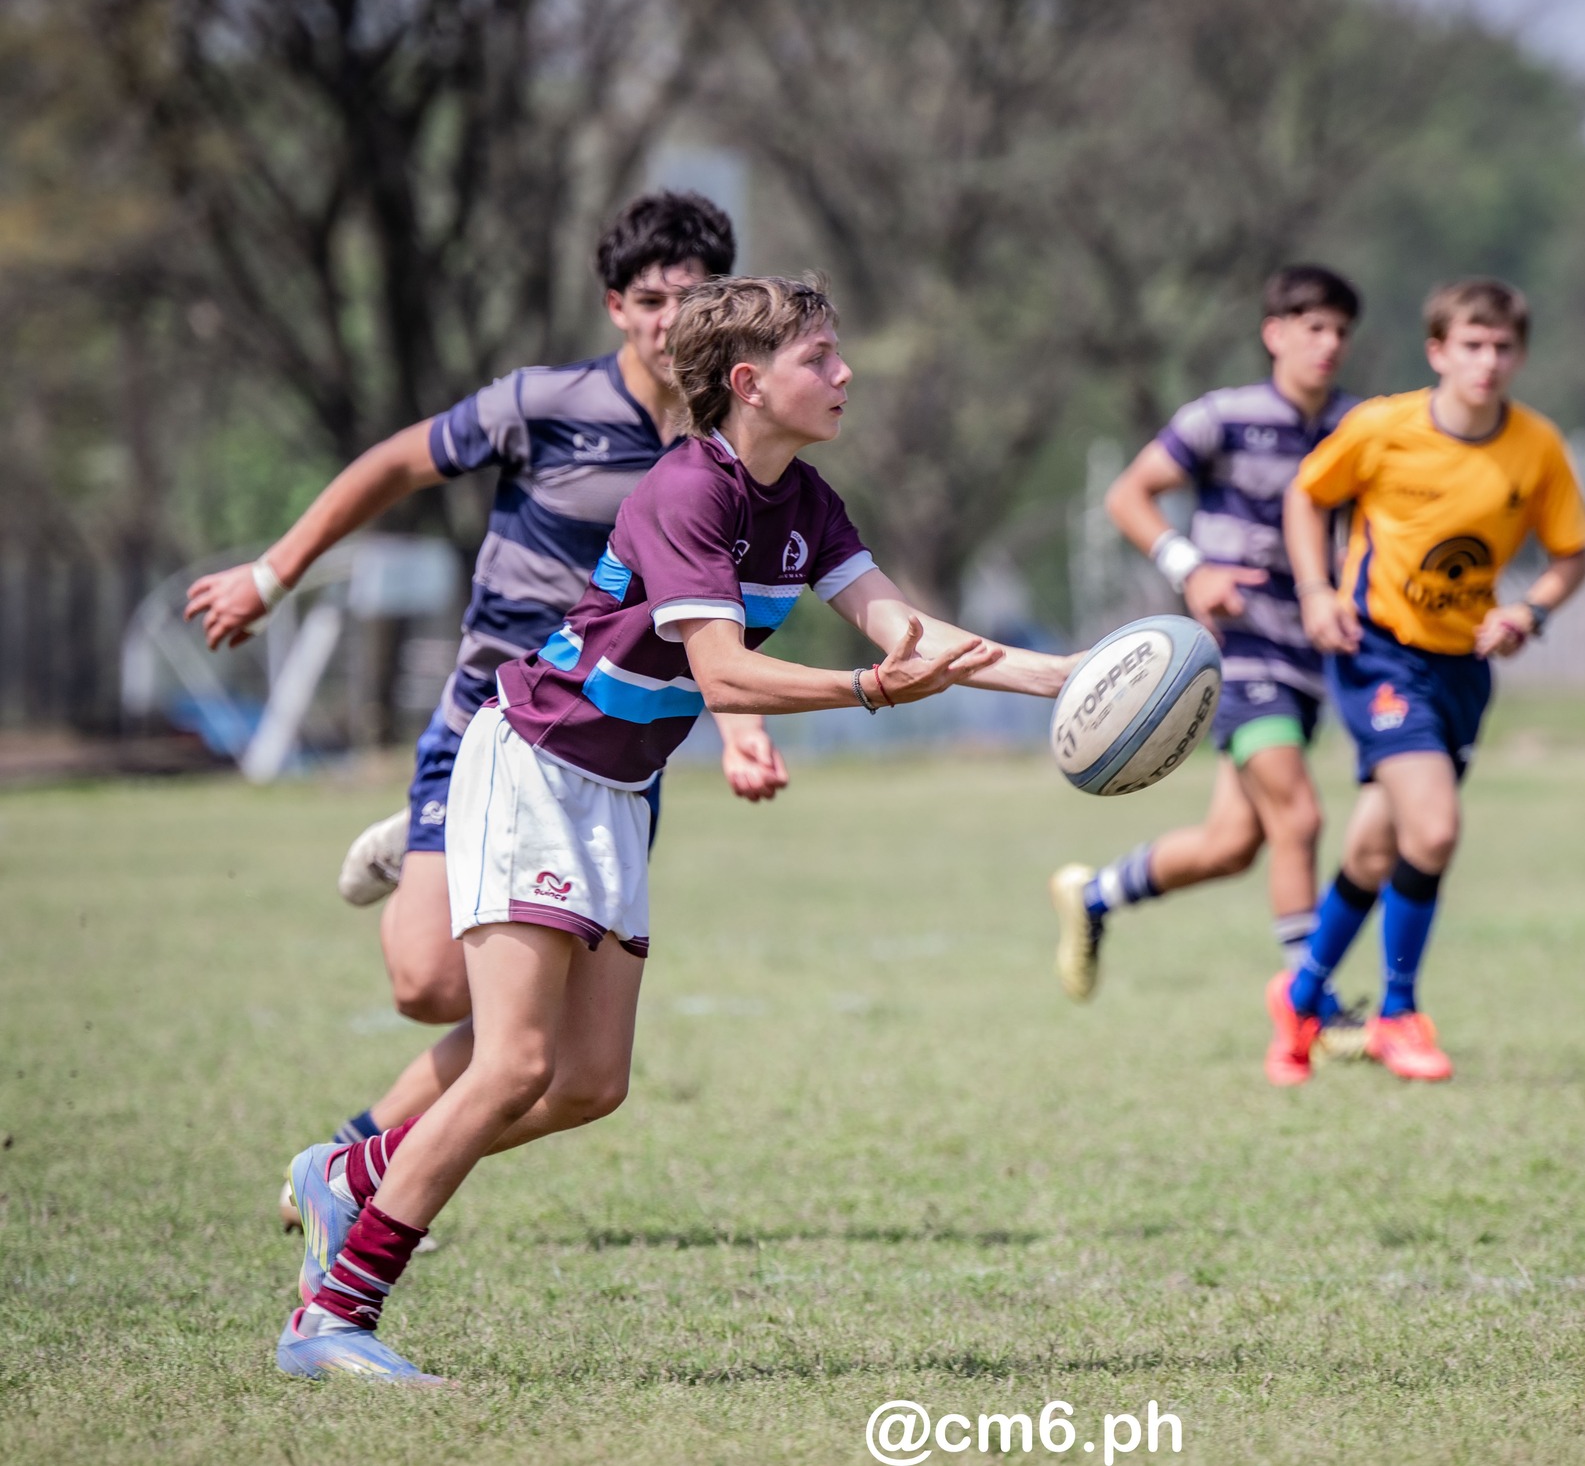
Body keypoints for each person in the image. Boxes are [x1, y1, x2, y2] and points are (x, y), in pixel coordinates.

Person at [273, 274, 1083, 1382]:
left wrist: (1080, 679)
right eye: (820, 358)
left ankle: (357, 1170)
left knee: (590, 1080)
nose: (844, 374)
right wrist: (864, 693)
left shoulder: (808, 503)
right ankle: (333, 1316)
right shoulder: (679, 494)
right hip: (535, 764)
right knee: (512, 1060)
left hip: (613, 789)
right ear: (748, 383)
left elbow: (908, 629)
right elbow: (725, 669)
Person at [183, 193, 784, 1218]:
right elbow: (390, 464)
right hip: (491, 728)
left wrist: (742, 728)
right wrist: (272, 575)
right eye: (648, 298)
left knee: (546, 1047)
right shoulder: (544, 403)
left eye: (689, 299)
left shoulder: (729, 449)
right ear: (613, 305)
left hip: (613, 756)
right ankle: (435, 849)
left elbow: (710, 617)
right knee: (431, 987)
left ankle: (351, 1165)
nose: (666, 317)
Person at [1271, 277, 1585, 1086]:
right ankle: (1395, 1013)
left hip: (1463, 669)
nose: (1487, 363)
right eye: (1471, 346)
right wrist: (1315, 592)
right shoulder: (1382, 428)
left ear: (1519, 355)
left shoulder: (1537, 448)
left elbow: (1572, 555)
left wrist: (1530, 613)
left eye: (1502, 348)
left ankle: (1301, 996)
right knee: (1437, 828)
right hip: (1379, 652)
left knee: (1379, 847)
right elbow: (1306, 499)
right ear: (1438, 351)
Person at [1047, 266, 1361, 1004]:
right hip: (1238, 651)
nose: (1330, 344)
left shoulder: (1356, 427)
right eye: (1314, 327)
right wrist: (1192, 569)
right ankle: (1309, 1003)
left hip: (1308, 654)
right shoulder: (1223, 417)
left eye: (1342, 331)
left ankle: (1092, 896)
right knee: (1302, 816)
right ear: (1274, 332)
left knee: (1232, 846)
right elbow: (1129, 495)